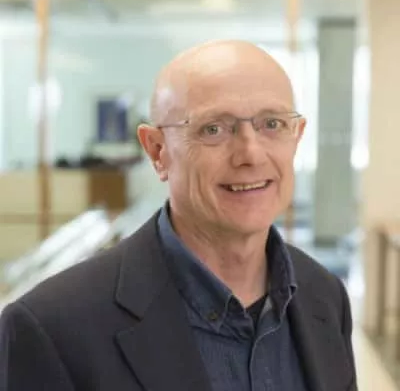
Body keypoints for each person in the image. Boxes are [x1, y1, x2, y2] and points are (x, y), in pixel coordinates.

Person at [0, 40, 357, 391]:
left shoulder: (324, 296)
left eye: (272, 124)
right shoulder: (53, 329)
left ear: (297, 136)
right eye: (213, 129)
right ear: (157, 151)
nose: (250, 154)